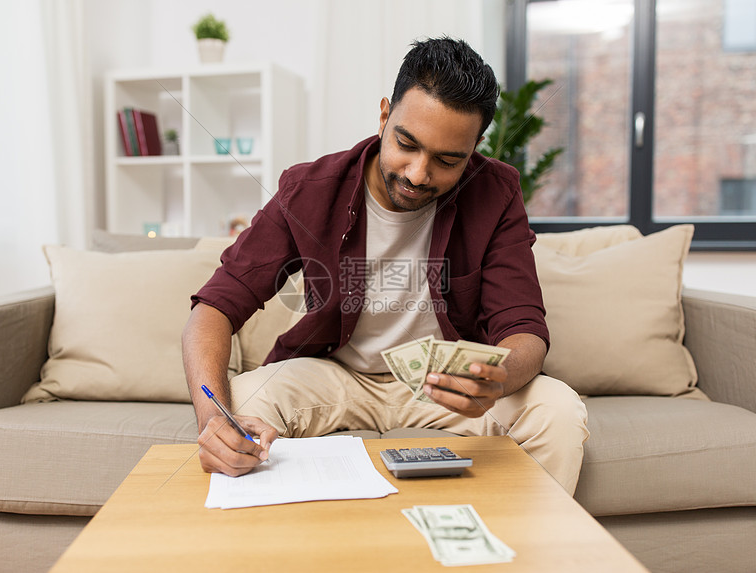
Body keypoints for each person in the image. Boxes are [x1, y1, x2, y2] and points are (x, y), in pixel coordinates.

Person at [182, 37, 589, 495]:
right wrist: (213, 416)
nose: (418, 173)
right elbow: (215, 307)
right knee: (240, 406)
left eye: (447, 160)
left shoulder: (495, 191)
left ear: (474, 149)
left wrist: (497, 380)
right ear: (383, 117)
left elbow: (523, 327)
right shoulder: (310, 188)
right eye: (406, 144)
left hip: (444, 385)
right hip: (334, 374)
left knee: (557, 409)